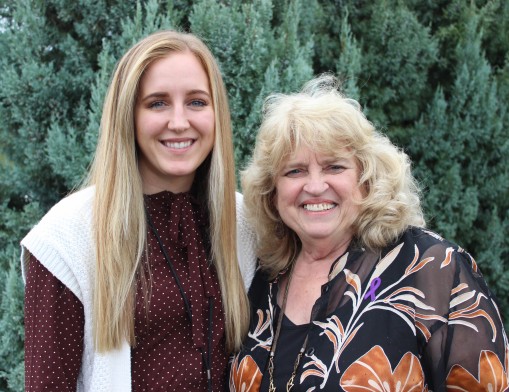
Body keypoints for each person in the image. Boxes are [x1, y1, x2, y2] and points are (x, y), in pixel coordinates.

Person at [229, 74, 508, 391]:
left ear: (367, 178)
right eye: (295, 171)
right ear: (272, 191)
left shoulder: (434, 269)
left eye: (335, 167)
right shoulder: (264, 277)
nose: (316, 186)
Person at [21, 30, 256, 391]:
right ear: (127, 114)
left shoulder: (245, 222)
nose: (179, 122)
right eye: (157, 103)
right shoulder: (68, 236)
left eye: (196, 102)